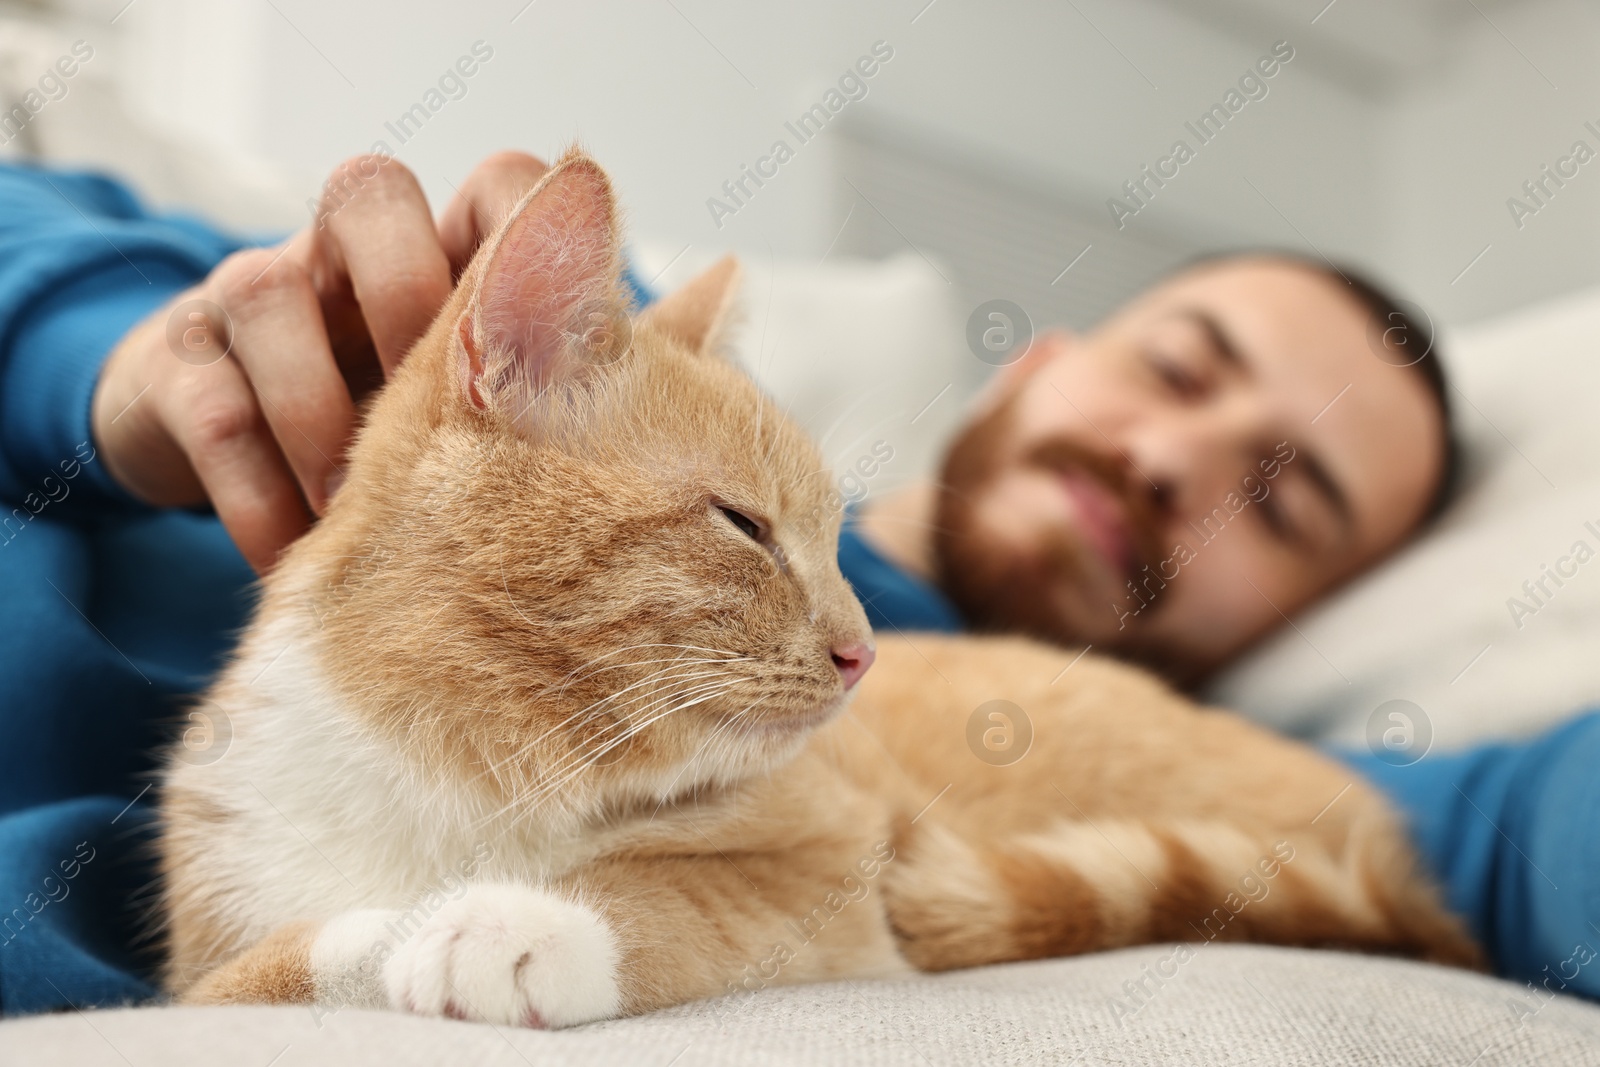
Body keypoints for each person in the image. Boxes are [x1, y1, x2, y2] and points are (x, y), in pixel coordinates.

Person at [0, 149, 1591, 1017]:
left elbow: (1478, 849)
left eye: (1285, 494)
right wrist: (111, 364)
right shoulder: (567, 368)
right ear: (1044, 359)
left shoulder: (953, 708)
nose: (1186, 464)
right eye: (1184, 367)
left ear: (1305, 622)